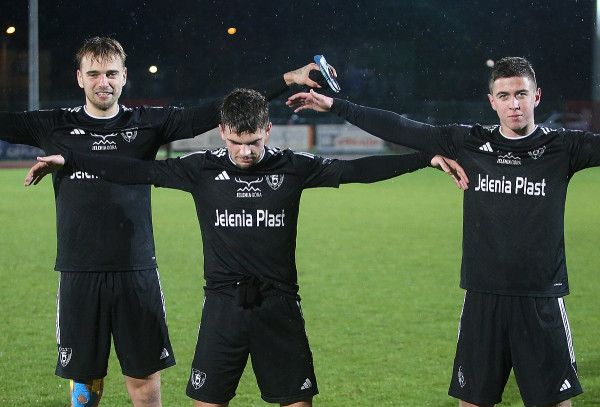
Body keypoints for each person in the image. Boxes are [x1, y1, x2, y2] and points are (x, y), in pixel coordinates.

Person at [25, 88, 468, 406]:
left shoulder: (293, 166)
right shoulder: (198, 169)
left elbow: (356, 170)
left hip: (280, 306)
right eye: (236, 142)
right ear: (222, 132)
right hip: (222, 306)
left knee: (296, 401)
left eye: (253, 142)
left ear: (268, 130)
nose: (244, 152)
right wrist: (72, 159)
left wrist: (423, 159)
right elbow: (133, 171)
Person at [0, 36, 335, 407]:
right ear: (79, 77)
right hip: (78, 270)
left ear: (124, 76)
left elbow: (219, 109)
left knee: (144, 378)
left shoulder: (148, 123)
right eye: (93, 74)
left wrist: (290, 78)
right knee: (84, 383)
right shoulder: (52, 125)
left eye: (111, 73)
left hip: (137, 270)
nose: (103, 82)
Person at [285, 56, 600, 407]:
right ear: (492, 101)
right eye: (505, 95)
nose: (514, 104)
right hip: (482, 297)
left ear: (536, 96)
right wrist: (334, 105)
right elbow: (401, 128)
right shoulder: (469, 141)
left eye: (521, 94)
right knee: (473, 401)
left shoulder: (564, 147)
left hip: (541, 298)